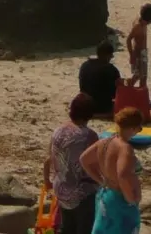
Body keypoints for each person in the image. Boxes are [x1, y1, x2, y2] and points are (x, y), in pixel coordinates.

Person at [80, 107, 144, 233]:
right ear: (132, 128)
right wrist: (131, 198)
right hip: (120, 200)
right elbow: (123, 175)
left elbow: (84, 159)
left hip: (105, 195)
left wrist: (100, 180)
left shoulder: (104, 142)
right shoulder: (125, 148)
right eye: (139, 128)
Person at [42, 93, 100, 234]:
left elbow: (48, 159)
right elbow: (96, 164)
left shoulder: (57, 131)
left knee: (67, 227)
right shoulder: (89, 135)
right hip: (81, 192)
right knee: (84, 228)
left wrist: (47, 181)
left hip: (61, 188)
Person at [77, 42, 121, 116]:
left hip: (85, 105)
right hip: (102, 107)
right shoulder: (111, 69)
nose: (112, 56)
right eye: (110, 54)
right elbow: (117, 93)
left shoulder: (85, 65)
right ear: (106, 55)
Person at [125, 4, 151, 90]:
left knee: (143, 77)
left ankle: (141, 96)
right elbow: (128, 39)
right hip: (138, 53)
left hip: (144, 53)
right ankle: (127, 89)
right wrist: (131, 55)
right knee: (137, 75)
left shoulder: (143, 23)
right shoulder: (138, 26)